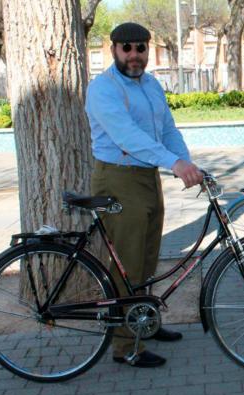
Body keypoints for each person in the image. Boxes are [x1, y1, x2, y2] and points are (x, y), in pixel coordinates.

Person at [85, 22, 203, 368]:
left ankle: (145, 324)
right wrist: (174, 164)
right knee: (127, 264)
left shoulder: (151, 85)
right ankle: (125, 347)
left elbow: (167, 129)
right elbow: (127, 137)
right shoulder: (102, 88)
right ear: (114, 50)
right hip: (118, 178)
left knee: (148, 258)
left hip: (147, 177)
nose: (135, 55)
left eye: (141, 48)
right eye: (128, 48)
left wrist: (187, 164)